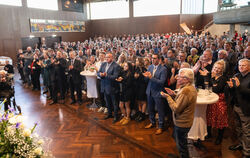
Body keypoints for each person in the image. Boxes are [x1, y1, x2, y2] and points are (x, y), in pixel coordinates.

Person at [161, 68, 197, 158]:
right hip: (184, 122)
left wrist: (168, 97)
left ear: (186, 79)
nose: (177, 78)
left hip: (182, 123)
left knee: (182, 145)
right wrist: (174, 94)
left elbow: (176, 108)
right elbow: (183, 101)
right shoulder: (188, 87)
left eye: (180, 77)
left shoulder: (186, 91)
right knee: (181, 142)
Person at [227, 59, 250, 158]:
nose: (241, 67)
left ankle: (247, 152)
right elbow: (233, 92)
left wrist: (239, 87)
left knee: (247, 132)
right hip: (236, 106)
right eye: (240, 65)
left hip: (246, 108)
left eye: (243, 65)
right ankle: (241, 144)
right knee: (238, 128)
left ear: (249, 67)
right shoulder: (237, 75)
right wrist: (231, 87)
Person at [143, 53, 167, 135]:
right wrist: (146, 77)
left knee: (160, 110)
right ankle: (152, 122)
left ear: (159, 59)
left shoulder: (163, 69)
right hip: (149, 90)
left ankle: (160, 126)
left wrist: (151, 78)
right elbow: (146, 81)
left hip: (158, 91)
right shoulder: (150, 67)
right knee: (150, 109)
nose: (152, 59)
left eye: (155, 58)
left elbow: (162, 82)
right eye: (152, 58)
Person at [206, 60, 228, 145]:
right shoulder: (212, 76)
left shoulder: (223, 78)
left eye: (219, 68)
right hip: (211, 99)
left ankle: (219, 137)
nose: (217, 69)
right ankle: (209, 134)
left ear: (222, 69)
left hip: (220, 101)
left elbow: (216, 89)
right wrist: (209, 77)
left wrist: (211, 78)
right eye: (215, 67)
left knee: (220, 119)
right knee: (209, 116)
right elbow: (207, 85)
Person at [97, 52, 120, 124]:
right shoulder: (103, 64)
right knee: (107, 102)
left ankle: (116, 116)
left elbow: (115, 76)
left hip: (112, 87)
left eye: (108, 57)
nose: (107, 58)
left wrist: (106, 75)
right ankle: (109, 114)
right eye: (106, 57)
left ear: (112, 58)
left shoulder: (116, 66)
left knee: (114, 103)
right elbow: (98, 73)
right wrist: (100, 74)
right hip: (104, 86)